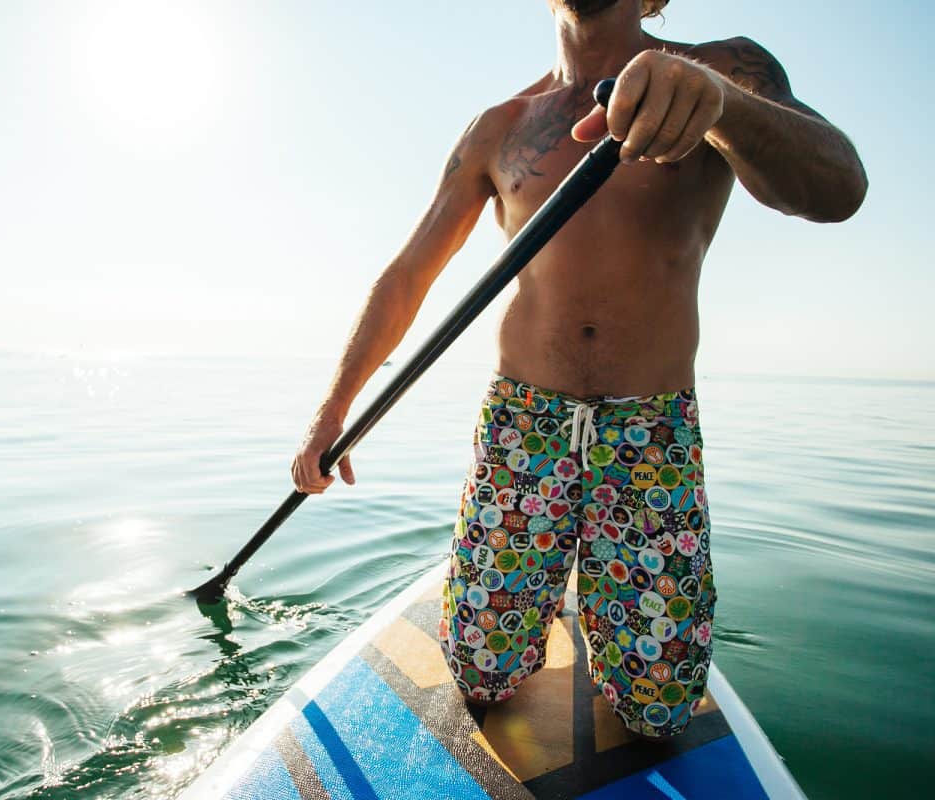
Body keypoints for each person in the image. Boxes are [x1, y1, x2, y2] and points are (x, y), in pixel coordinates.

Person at [290, 0, 867, 741]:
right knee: (481, 675)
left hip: (649, 426)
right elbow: (408, 274)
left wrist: (722, 107)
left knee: (659, 711)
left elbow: (838, 191)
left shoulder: (722, 69)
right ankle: (539, 599)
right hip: (522, 423)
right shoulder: (498, 127)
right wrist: (333, 408)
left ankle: (601, 611)